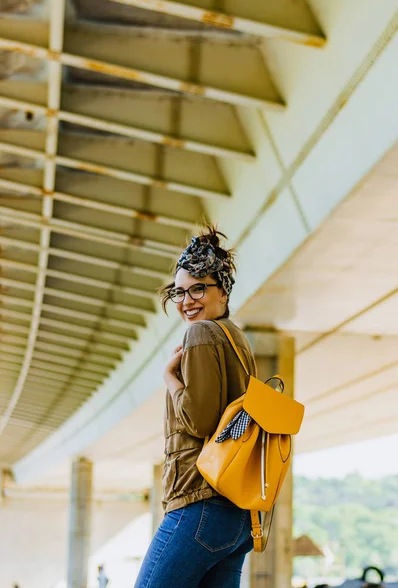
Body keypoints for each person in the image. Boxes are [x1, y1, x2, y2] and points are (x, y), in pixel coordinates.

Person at [134, 225, 257, 588]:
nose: (187, 301)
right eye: (180, 292)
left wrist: (171, 379)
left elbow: (201, 421)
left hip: (198, 502)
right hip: (237, 515)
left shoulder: (201, 334)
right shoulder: (237, 341)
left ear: (223, 290)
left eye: (199, 288)